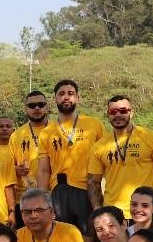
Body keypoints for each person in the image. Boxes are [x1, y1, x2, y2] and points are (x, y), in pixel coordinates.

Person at [87, 95, 153, 225]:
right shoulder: (99, 145)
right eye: (113, 112)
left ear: (131, 113)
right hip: (112, 215)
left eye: (123, 111)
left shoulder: (150, 138)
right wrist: (98, 211)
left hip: (145, 211)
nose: (118, 115)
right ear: (108, 114)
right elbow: (93, 182)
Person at [36, 79, 104, 232]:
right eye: (61, 94)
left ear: (78, 98)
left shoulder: (94, 124)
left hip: (88, 190)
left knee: (90, 237)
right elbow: (43, 170)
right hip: (59, 192)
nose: (66, 97)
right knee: (61, 238)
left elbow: (104, 159)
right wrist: (42, 200)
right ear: (55, 99)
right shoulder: (46, 132)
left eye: (70, 93)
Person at [10, 92, 52, 202]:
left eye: (41, 105)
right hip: (25, 195)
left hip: (54, 193)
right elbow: (8, 165)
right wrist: (16, 170)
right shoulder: (16, 135)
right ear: (25, 109)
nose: (37, 108)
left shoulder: (57, 130)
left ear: (46, 107)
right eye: (32, 106)